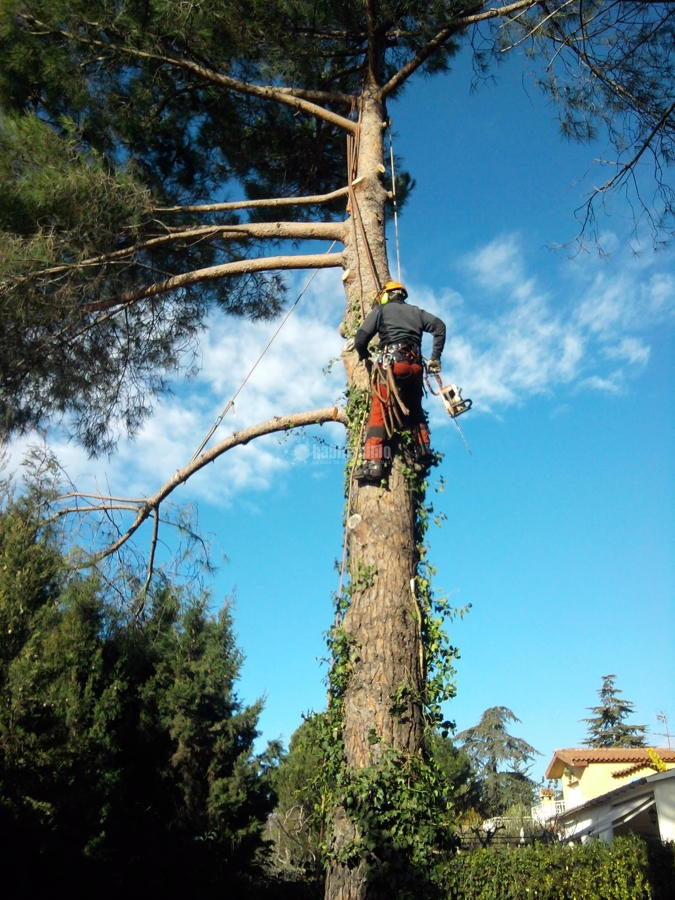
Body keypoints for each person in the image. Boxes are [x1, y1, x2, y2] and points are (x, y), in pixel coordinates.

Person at [351, 281, 446, 482]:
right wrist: (435, 357)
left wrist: (363, 355)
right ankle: (423, 451)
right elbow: (439, 326)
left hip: (393, 367)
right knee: (416, 411)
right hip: (415, 368)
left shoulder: (381, 310)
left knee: (379, 412)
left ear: (387, 295)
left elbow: (361, 339)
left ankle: (374, 463)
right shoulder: (417, 312)